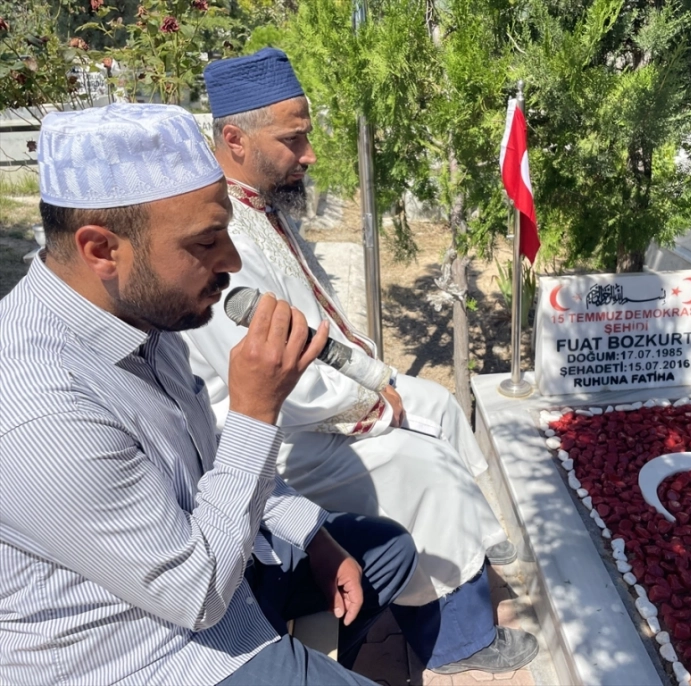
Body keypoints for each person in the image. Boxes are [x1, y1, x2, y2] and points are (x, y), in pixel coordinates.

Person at [0, 102, 419, 686]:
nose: (232, 261)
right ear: (102, 251)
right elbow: (195, 594)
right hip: (149, 653)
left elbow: (204, 461)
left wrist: (312, 534)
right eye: (205, 243)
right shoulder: (38, 409)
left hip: (221, 578)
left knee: (383, 550)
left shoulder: (141, 313)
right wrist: (257, 409)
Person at [183, 48, 539, 674]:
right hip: (269, 430)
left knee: (437, 404)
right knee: (421, 464)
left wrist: (376, 379)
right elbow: (270, 374)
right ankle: (456, 639)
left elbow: (314, 320)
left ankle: (477, 540)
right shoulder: (219, 236)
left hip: (313, 390)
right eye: (294, 139)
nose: (310, 155)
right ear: (235, 138)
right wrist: (369, 403)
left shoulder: (260, 203)